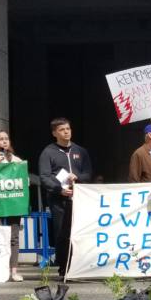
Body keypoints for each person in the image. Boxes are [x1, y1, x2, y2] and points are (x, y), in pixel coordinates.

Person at [38, 118, 92, 279]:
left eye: (68, 128)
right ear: (54, 133)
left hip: (79, 198)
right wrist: (59, 190)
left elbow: (88, 174)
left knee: (80, 232)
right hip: (59, 200)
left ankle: (81, 266)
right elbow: (44, 177)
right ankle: (64, 269)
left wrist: (78, 177)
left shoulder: (80, 151)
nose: (66, 132)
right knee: (62, 233)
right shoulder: (48, 152)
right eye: (62, 129)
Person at [0, 129, 26, 281]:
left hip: (13, 203)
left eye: (6, 138)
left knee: (13, 237)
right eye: (0, 139)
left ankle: (13, 271)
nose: (4, 141)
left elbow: (24, 180)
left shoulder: (16, 160)